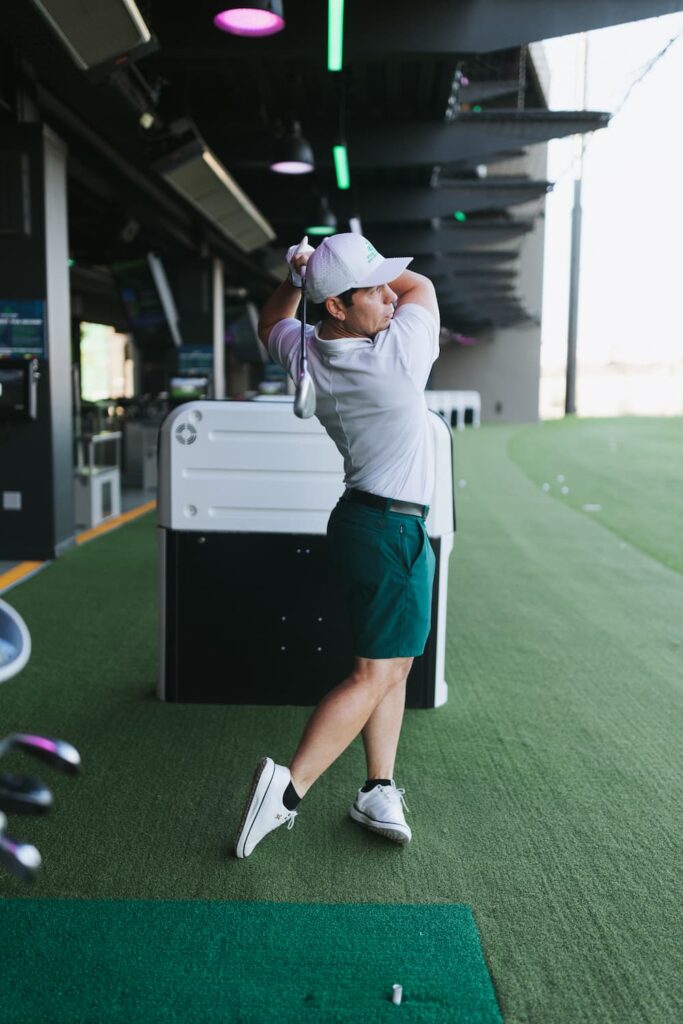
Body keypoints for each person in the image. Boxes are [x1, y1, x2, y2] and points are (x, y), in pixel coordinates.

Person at [234, 232, 440, 858]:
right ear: (338, 309)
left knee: (393, 663)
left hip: (363, 524)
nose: (388, 296)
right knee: (374, 672)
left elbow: (272, 319)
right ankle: (287, 788)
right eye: (372, 290)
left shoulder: (308, 354)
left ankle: (378, 786)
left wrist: (296, 278)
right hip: (390, 530)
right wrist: (308, 275)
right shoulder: (397, 357)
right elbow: (422, 287)